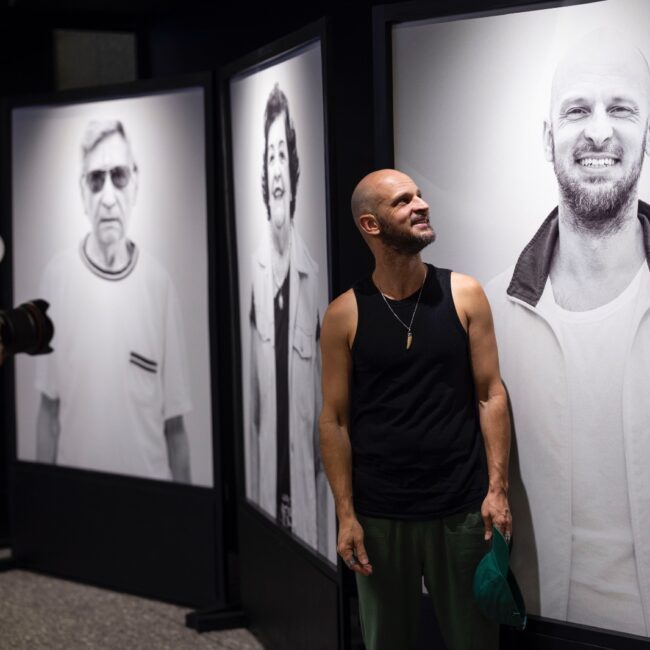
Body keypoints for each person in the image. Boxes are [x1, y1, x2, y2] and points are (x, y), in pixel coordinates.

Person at [485, 32, 650, 636]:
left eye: (621, 108)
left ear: (648, 132)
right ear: (547, 137)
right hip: (536, 627)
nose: (599, 132)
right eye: (578, 109)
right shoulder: (492, 313)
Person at [320, 169, 512, 650]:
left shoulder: (464, 294)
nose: (421, 205)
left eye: (420, 195)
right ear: (371, 224)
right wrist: (345, 515)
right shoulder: (344, 314)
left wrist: (498, 490)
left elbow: (491, 394)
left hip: (463, 509)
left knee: (475, 641)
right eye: (403, 201)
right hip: (380, 516)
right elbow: (333, 420)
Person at [35, 119, 192, 483]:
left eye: (118, 176)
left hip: (147, 502)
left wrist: (185, 515)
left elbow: (176, 430)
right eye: (95, 179)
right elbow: (48, 413)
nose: (107, 197)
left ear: (135, 183)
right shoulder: (56, 279)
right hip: (77, 501)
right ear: (82, 192)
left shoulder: (159, 285)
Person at [247, 84, 327, 552]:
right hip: (265, 482)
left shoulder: (312, 278)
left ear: (293, 174)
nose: (276, 168)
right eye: (270, 156)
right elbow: (252, 409)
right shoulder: (254, 275)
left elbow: (324, 413)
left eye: (282, 156)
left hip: (304, 487)